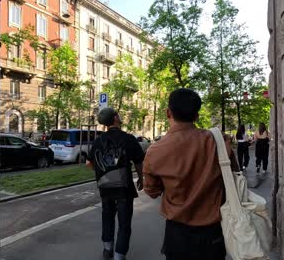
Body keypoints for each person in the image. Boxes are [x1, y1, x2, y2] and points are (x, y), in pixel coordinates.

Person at [143, 88, 239, 260]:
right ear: (197, 116)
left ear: (168, 113)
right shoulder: (218, 142)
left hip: (177, 234)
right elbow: (234, 175)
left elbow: (152, 191)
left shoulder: (154, 151)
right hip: (213, 233)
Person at [86, 107, 145, 260]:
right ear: (115, 118)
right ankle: (119, 256)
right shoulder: (128, 139)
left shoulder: (98, 140)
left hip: (105, 186)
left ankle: (107, 250)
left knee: (107, 217)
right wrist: (141, 178)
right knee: (124, 223)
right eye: (117, 114)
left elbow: (89, 163)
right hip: (124, 188)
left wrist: (102, 173)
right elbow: (139, 161)